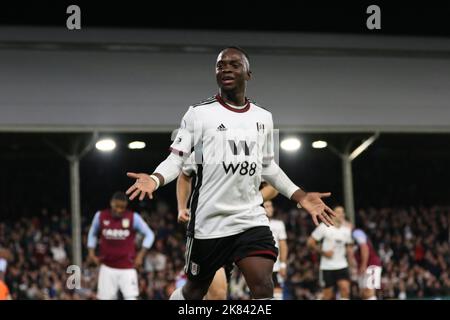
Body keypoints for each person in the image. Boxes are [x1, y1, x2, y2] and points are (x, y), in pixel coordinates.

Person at [126, 46, 336, 300]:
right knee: (195, 291)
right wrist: (155, 179)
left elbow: (268, 165)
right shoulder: (198, 114)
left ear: (249, 73)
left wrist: (300, 196)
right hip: (209, 223)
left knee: (263, 286)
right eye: (220, 65)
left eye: (234, 64)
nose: (225, 68)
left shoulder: (264, 118)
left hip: (250, 218)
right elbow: (177, 161)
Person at [176, 155, 282, 300]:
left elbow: (273, 186)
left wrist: (246, 201)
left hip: (247, 227)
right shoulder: (204, 147)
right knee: (213, 294)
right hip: (212, 230)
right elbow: (185, 175)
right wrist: (182, 207)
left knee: (263, 289)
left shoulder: (253, 148)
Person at [87, 192, 155, 300]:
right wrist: (91, 253)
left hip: (127, 267)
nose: (119, 210)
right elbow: (92, 233)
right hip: (107, 267)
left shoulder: (133, 217)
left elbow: (150, 234)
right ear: (111, 203)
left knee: (131, 298)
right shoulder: (100, 216)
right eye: (116, 206)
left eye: (122, 207)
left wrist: (141, 255)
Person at [307, 206, 353, 300]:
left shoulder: (347, 229)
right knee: (327, 295)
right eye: (338, 212)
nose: (341, 214)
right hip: (327, 266)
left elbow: (349, 247)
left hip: (342, 265)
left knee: (345, 290)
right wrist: (324, 252)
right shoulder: (324, 227)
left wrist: (351, 262)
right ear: (332, 214)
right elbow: (310, 243)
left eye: (342, 212)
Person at [263, 199, 288, 300]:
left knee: (278, 296)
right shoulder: (253, 225)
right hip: (258, 267)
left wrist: (283, 265)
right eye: (267, 206)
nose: (271, 209)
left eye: (271, 206)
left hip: (276, 267)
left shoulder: (279, 224)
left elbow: (283, 245)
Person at [352, 228, 382, 300]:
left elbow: (364, 247)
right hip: (361, 266)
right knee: (363, 294)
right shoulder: (344, 236)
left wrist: (363, 265)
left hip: (371, 264)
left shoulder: (356, 232)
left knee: (369, 292)